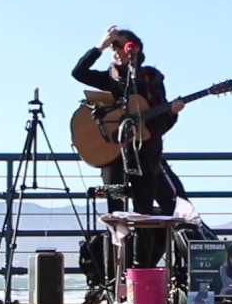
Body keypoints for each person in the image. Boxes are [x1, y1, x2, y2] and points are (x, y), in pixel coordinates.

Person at [71, 26, 185, 266]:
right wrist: (99, 46)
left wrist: (172, 114)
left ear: (134, 48)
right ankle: (116, 274)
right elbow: (78, 72)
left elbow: (158, 126)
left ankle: (142, 273)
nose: (116, 51)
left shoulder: (151, 78)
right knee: (116, 213)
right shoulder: (108, 77)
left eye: (119, 45)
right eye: (112, 47)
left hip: (146, 158)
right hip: (112, 160)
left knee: (143, 213)